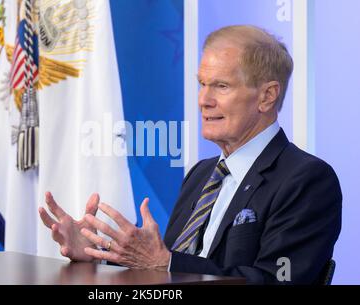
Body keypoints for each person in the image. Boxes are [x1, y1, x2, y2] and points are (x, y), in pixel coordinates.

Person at [38, 25, 342, 284]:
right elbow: (161, 268)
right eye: (202, 84)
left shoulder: (306, 179)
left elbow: (276, 280)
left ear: (267, 96)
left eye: (221, 86)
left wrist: (165, 263)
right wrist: (96, 255)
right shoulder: (201, 174)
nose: (203, 100)